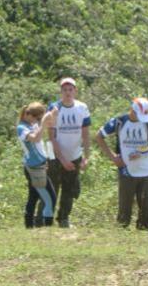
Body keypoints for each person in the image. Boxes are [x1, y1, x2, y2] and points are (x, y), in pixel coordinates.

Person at [96, 98, 148, 230]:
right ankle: (122, 233)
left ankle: (144, 232)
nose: (141, 118)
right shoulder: (119, 122)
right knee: (124, 208)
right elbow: (99, 136)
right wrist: (113, 157)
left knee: (147, 207)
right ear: (132, 110)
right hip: (126, 170)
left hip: (146, 171)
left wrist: (142, 153)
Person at [39, 77, 91, 228]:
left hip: (74, 154)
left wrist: (86, 157)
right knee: (51, 187)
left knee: (70, 188)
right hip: (54, 155)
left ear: (75, 91)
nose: (68, 93)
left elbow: (86, 134)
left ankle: (63, 219)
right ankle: (42, 219)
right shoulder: (54, 108)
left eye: (70, 89)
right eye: (64, 90)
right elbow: (51, 137)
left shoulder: (82, 108)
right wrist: (62, 159)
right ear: (61, 92)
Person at [17, 102, 56, 228]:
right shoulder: (21, 128)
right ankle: (47, 226)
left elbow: (40, 144)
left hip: (39, 165)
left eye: (39, 118)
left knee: (33, 197)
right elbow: (35, 139)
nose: (37, 121)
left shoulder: (32, 124)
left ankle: (29, 226)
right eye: (36, 118)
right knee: (50, 198)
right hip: (34, 168)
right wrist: (43, 123)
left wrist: (52, 113)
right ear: (28, 114)